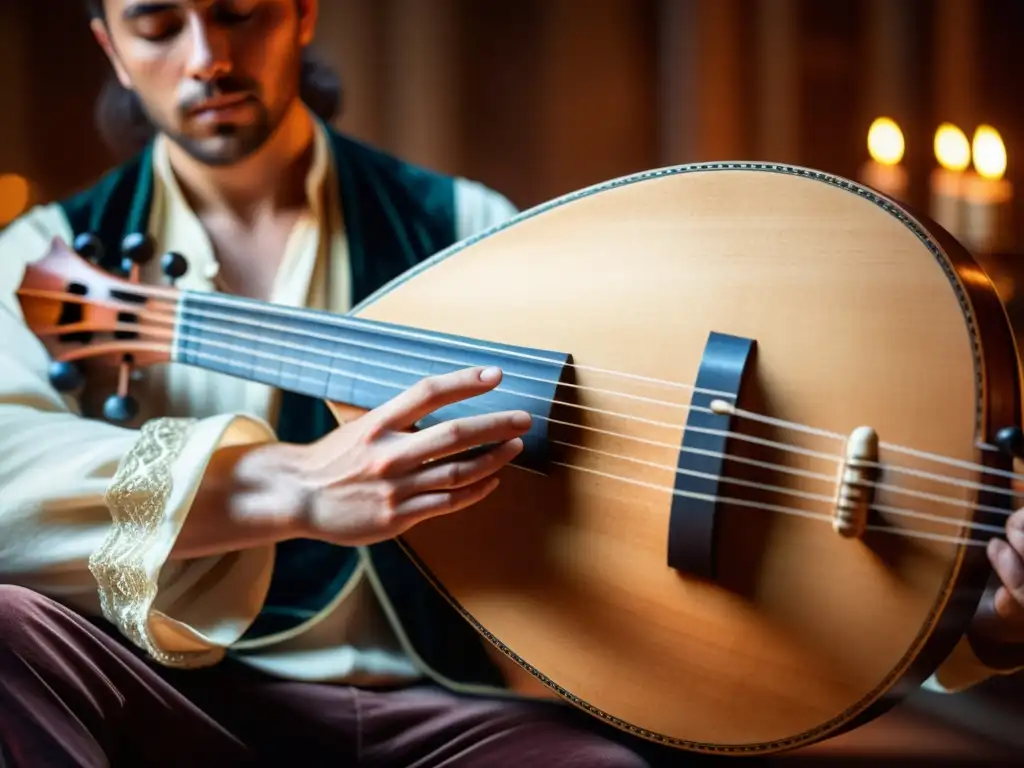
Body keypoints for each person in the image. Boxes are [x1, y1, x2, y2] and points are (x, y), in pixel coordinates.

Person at [0, 1, 1021, 766]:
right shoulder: (49, 255)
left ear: (302, 10)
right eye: (155, 24)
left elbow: (670, 467)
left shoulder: (464, 228)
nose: (207, 57)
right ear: (106, 43)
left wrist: (965, 617)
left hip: (444, 716)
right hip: (187, 703)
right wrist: (289, 488)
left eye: (236, 12)